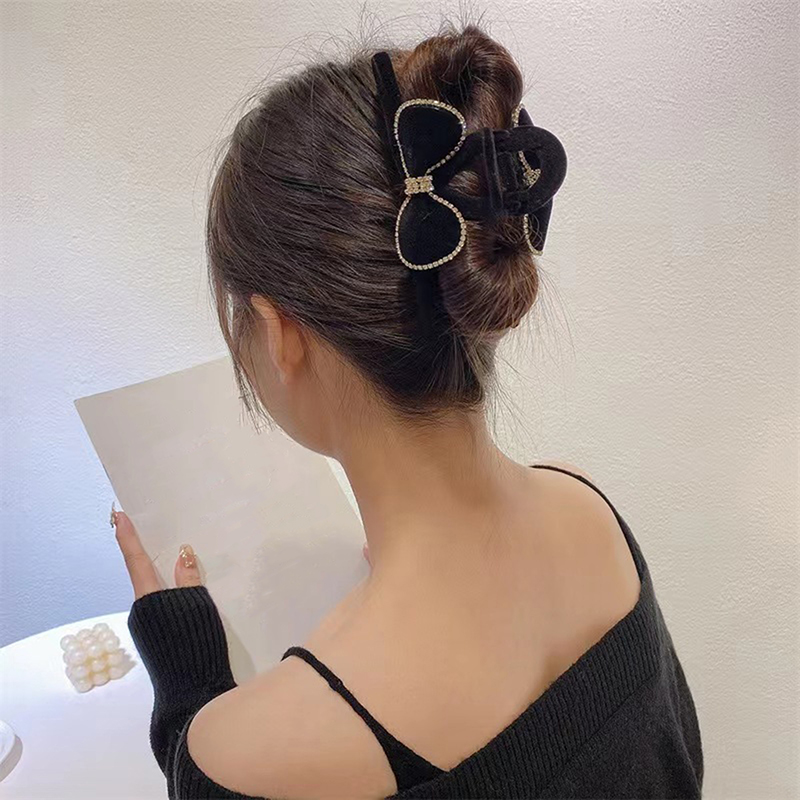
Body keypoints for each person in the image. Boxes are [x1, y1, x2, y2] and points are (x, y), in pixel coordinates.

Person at [114, 22, 704, 800]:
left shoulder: (251, 754)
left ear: (279, 333)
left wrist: (187, 681)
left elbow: (211, 761)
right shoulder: (590, 511)